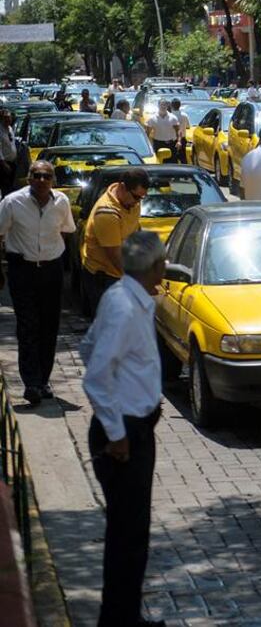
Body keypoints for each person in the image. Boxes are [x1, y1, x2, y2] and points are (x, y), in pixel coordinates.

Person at [81, 230, 167, 627]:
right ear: (154, 267)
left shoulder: (127, 299)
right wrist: (117, 434)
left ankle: (124, 615)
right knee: (126, 537)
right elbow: (96, 376)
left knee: (131, 535)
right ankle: (117, 620)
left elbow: (89, 348)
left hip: (134, 430)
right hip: (124, 437)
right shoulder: (124, 306)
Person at [0, 160, 76, 404]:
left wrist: (53, 257)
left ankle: (43, 380)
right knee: (27, 325)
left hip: (51, 270)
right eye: (37, 175)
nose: (42, 180)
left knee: (49, 326)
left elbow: (65, 230)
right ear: (29, 177)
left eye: (46, 176)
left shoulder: (61, 202)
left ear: (52, 179)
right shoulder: (12, 202)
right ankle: (31, 382)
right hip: (22, 270)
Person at [81, 168, 149, 317]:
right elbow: (115, 255)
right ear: (123, 187)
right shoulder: (107, 213)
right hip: (105, 278)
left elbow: (135, 229)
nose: (137, 202)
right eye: (136, 197)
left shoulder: (131, 202)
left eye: (141, 198)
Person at [170, 99, 190, 164]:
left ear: (171, 106)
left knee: (172, 158)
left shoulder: (169, 116)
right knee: (183, 158)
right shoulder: (184, 115)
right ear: (180, 105)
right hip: (182, 139)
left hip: (171, 140)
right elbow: (188, 126)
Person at [0, 109, 15, 197]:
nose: (8, 119)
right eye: (5, 118)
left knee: (11, 187)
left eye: (9, 117)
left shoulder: (10, 128)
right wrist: (3, 164)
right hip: (3, 165)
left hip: (12, 163)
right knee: (6, 188)